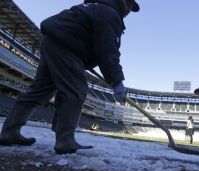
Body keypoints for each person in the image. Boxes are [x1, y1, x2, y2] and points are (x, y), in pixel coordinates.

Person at [0, 0, 140, 154]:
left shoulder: (96, 7)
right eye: (128, 4)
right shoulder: (109, 14)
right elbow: (108, 51)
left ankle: (9, 132)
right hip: (67, 47)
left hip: (54, 42)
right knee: (75, 91)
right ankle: (65, 141)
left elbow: (96, 45)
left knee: (40, 90)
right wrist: (116, 80)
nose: (128, 10)